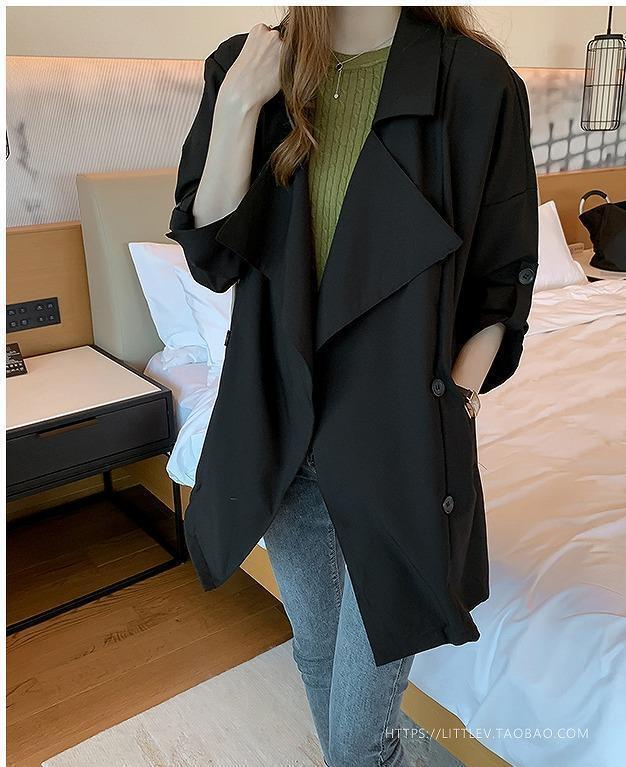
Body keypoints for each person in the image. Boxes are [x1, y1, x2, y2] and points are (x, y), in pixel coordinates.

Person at [166, 7, 539, 766]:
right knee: (314, 651)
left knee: (359, 738)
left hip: (399, 438)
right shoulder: (245, 67)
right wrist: (239, 105)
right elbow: (212, 258)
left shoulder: (476, 83)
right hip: (278, 426)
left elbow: (503, 280)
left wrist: (456, 401)